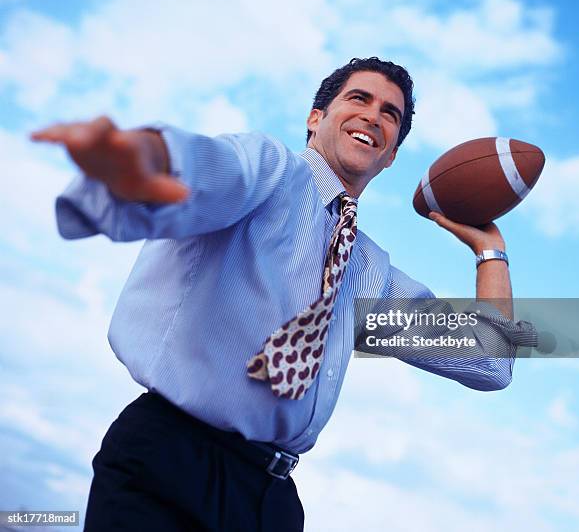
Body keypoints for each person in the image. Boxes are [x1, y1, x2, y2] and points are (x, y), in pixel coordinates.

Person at [31, 57, 537, 531]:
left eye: (390, 114)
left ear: (391, 156)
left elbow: (489, 358)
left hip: (271, 498)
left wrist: (490, 250)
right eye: (357, 99)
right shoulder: (267, 172)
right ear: (316, 117)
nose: (373, 116)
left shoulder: (367, 270)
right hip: (170, 460)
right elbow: (203, 170)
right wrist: (138, 159)